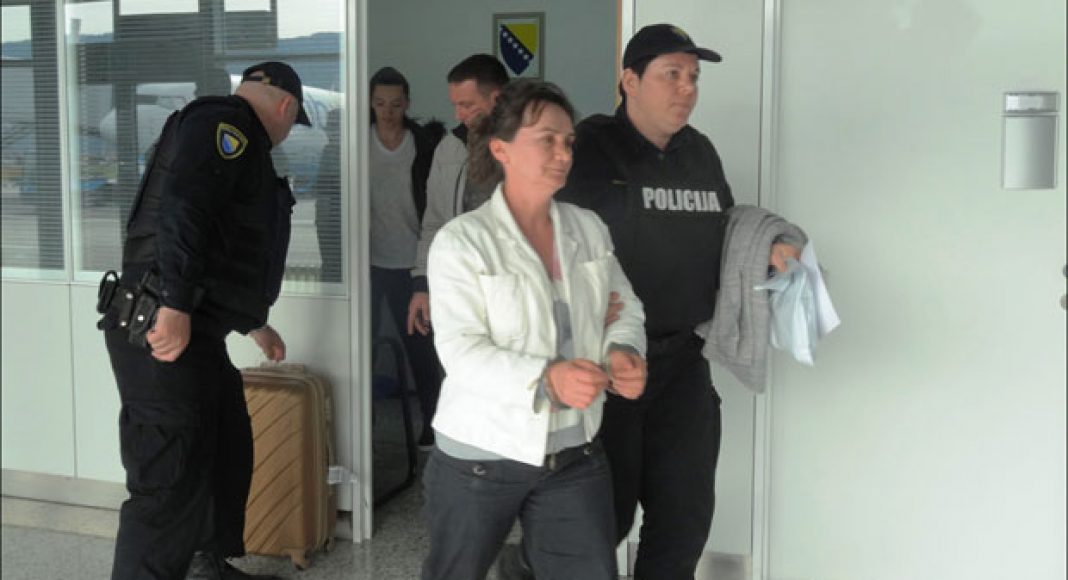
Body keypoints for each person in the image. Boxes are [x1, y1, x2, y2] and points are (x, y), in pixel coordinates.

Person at [557, 24, 801, 579]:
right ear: (630, 81)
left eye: (693, 77)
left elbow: (726, 230)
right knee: (603, 521)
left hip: (683, 363)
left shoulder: (700, 153)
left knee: (683, 521)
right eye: (672, 74)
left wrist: (767, 247)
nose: (687, 88)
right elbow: (546, 237)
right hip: (609, 364)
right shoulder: (589, 148)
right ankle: (527, 565)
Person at [421, 79, 648, 580]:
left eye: (568, 141)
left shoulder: (588, 228)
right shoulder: (463, 242)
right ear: (501, 149)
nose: (563, 153)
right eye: (547, 139)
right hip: (481, 456)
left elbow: (624, 307)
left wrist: (623, 350)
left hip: (574, 453)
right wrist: (547, 378)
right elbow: (461, 351)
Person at [98, 61, 311, 580]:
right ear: (286, 106)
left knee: (224, 446)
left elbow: (222, 245)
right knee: (167, 481)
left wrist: (250, 322)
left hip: (195, 330)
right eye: (292, 123)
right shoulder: (226, 124)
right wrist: (174, 302)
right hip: (158, 326)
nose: (286, 135)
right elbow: (185, 208)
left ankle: (203, 565)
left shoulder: (239, 139)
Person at [405, 55, 509, 449]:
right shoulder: (449, 146)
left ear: (496, 98)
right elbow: (434, 220)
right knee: (464, 379)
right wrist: (422, 283)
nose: (459, 114)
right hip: (460, 289)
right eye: (455, 105)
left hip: (511, 289)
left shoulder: (528, 143)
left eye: (467, 105)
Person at [366, 66, 445, 449]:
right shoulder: (356, 143)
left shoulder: (424, 146)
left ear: (407, 104)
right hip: (366, 264)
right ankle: (361, 426)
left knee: (422, 352)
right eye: (380, 103)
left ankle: (432, 427)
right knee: (359, 349)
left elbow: (437, 205)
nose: (388, 111)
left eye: (396, 104)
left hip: (412, 264)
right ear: (370, 103)